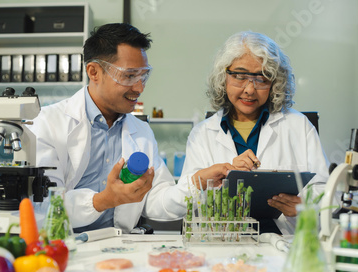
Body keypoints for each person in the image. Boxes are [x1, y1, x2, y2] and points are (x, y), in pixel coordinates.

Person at [30, 23, 195, 233]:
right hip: (66, 246)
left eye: (143, 76)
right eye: (129, 76)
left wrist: (197, 185)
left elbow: (156, 200)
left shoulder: (141, 131)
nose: (139, 87)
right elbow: (43, 204)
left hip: (121, 248)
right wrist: (102, 201)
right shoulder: (46, 123)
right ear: (94, 72)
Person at [177, 31, 329, 235]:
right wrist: (228, 180)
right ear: (224, 77)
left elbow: (328, 193)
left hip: (284, 241)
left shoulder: (298, 126)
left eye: (262, 78)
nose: (249, 89)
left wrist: (304, 207)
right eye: (239, 76)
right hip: (224, 241)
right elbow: (186, 201)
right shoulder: (202, 133)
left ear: (275, 82)